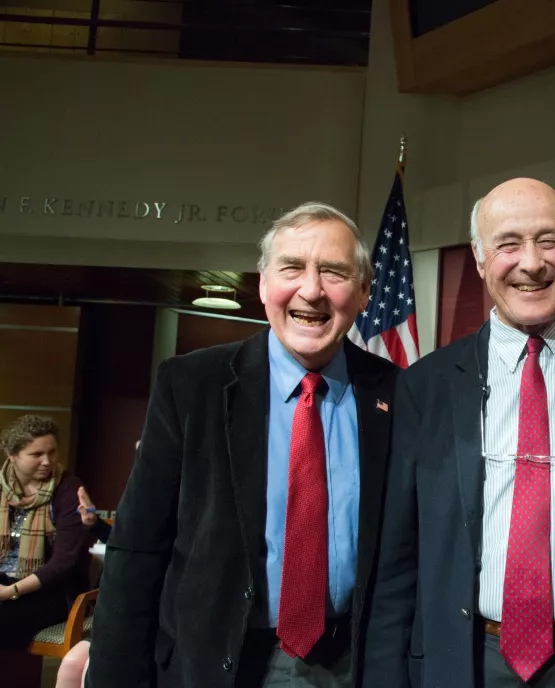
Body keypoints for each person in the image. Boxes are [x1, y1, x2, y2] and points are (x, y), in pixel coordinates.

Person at [364, 178, 555, 688]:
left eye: (549, 240)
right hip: (469, 660)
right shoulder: (425, 386)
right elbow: (399, 556)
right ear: (481, 260)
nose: (531, 263)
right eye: (508, 244)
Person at [85, 202, 399, 687]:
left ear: (363, 292)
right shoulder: (191, 385)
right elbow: (138, 549)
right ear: (263, 283)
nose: (311, 290)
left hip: (352, 665)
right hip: (214, 665)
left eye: (333, 272)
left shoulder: (397, 394)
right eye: (291, 268)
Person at [0, 415, 91, 645]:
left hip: (52, 591)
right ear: (12, 455)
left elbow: (64, 562)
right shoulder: (2, 486)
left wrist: (10, 591)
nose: (47, 461)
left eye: (52, 452)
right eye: (37, 454)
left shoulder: (68, 489)